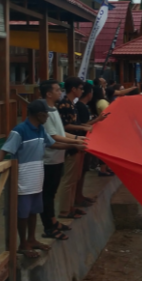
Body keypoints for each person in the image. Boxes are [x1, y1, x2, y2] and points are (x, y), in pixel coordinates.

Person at [0, 100, 79, 257]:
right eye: (46, 114)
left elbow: (52, 144)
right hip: (23, 179)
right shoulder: (20, 131)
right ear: (40, 115)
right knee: (23, 213)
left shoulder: (40, 130)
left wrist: (73, 145)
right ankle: (23, 244)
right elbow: (4, 150)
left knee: (33, 211)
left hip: (37, 177)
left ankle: (31, 239)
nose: (47, 117)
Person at [38, 80, 86, 240]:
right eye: (57, 90)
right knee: (47, 194)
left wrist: (79, 139)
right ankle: (48, 226)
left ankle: (53, 221)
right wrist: (75, 143)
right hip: (49, 159)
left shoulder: (54, 109)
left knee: (52, 193)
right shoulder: (46, 112)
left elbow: (62, 133)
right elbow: (53, 136)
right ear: (48, 94)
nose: (61, 92)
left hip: (57, 159)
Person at [56, 77, 105, 223]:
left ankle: (70, 206)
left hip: (77, 143)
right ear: (73, 89)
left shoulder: (71, 104)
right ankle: (65, 210)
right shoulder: (65, 105)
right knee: (69, 179)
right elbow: (64, 127)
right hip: (71, 145)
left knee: (74, 178)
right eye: (81, 88)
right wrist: (83, 128)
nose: (82, 91)